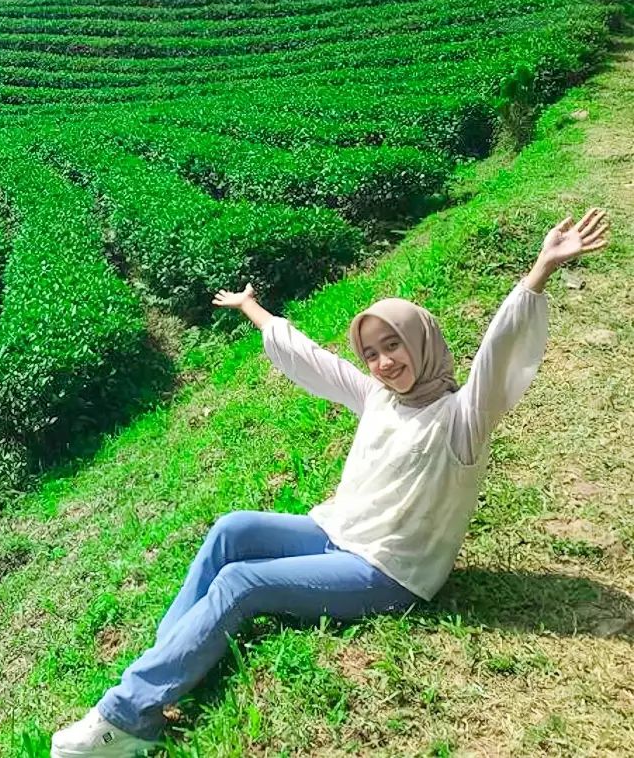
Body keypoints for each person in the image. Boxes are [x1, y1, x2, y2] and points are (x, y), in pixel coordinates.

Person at [50, 207, 610, 756]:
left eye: (394, 345)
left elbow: (498, 350)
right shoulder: (378, 399)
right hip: (338, 533)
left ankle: (126, 718)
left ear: (422, 343)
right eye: (371, 353)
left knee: (243, 583)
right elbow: (312, 360)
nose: (384, 363)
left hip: (388, 572)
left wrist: (539, 272)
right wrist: (253, 308)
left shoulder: (464, 417)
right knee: (231, 531)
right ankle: (167, 661)